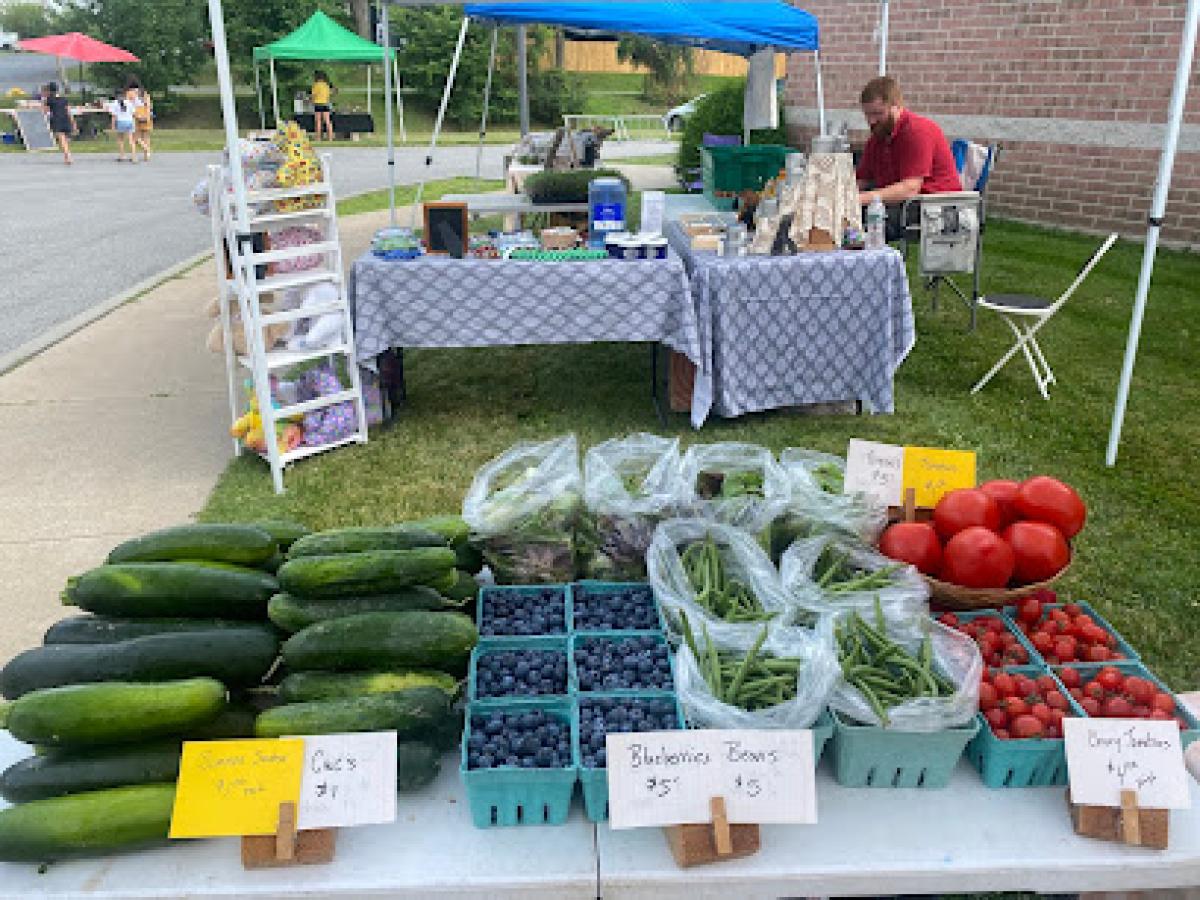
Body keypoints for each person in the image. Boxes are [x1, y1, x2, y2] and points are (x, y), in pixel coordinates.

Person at [855, 76, 961, 241]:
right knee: (844, 217)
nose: (871, 121)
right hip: (907, 202)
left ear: (897, 107)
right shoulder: (878, 136)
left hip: (936, 208)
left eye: (877, 113)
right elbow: (862, 180)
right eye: (867, 114)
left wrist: (858, 199)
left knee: (862, 221)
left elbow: (910, 188)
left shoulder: (917, 132)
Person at [42, 82, 76, 165]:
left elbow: (45, 111)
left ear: (50, 90)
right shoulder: (64, 99)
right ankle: (67, 156)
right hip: (65, 119)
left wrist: (43, 104)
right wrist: (73, 122)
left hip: (57, 120)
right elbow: (68, 111)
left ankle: (68, 156)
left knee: (62, 139)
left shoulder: (49, 100)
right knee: (64, 139)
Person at [108, 89, 138, 162]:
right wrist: (134, 123)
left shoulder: (115, 103)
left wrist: (112, 126)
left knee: (121, 139)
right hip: (129, 121)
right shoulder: (129, 102)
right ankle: (134, 157)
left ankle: (122, 155)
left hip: (121, 121)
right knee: (131, 140)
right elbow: (134, 114)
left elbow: (114, 116)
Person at [128, 77, 152, 162]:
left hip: (136, 114)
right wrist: (148, 116)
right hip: (146, 113)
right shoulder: (144, 93)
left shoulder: (130, 93)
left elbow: (129, 105)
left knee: (135, 137)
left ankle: (143, 150)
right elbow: (148, 105)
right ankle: (147, 156)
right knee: (146, 136)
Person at [311, 70, 335, 142]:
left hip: (318, 104)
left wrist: (311, 100)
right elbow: (330, 93)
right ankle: (330, 138)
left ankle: (318, 138)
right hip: (325, 104)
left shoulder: (315, 85)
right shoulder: (326, 85)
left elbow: (313, 95)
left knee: (318, 121)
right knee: (327, 121)